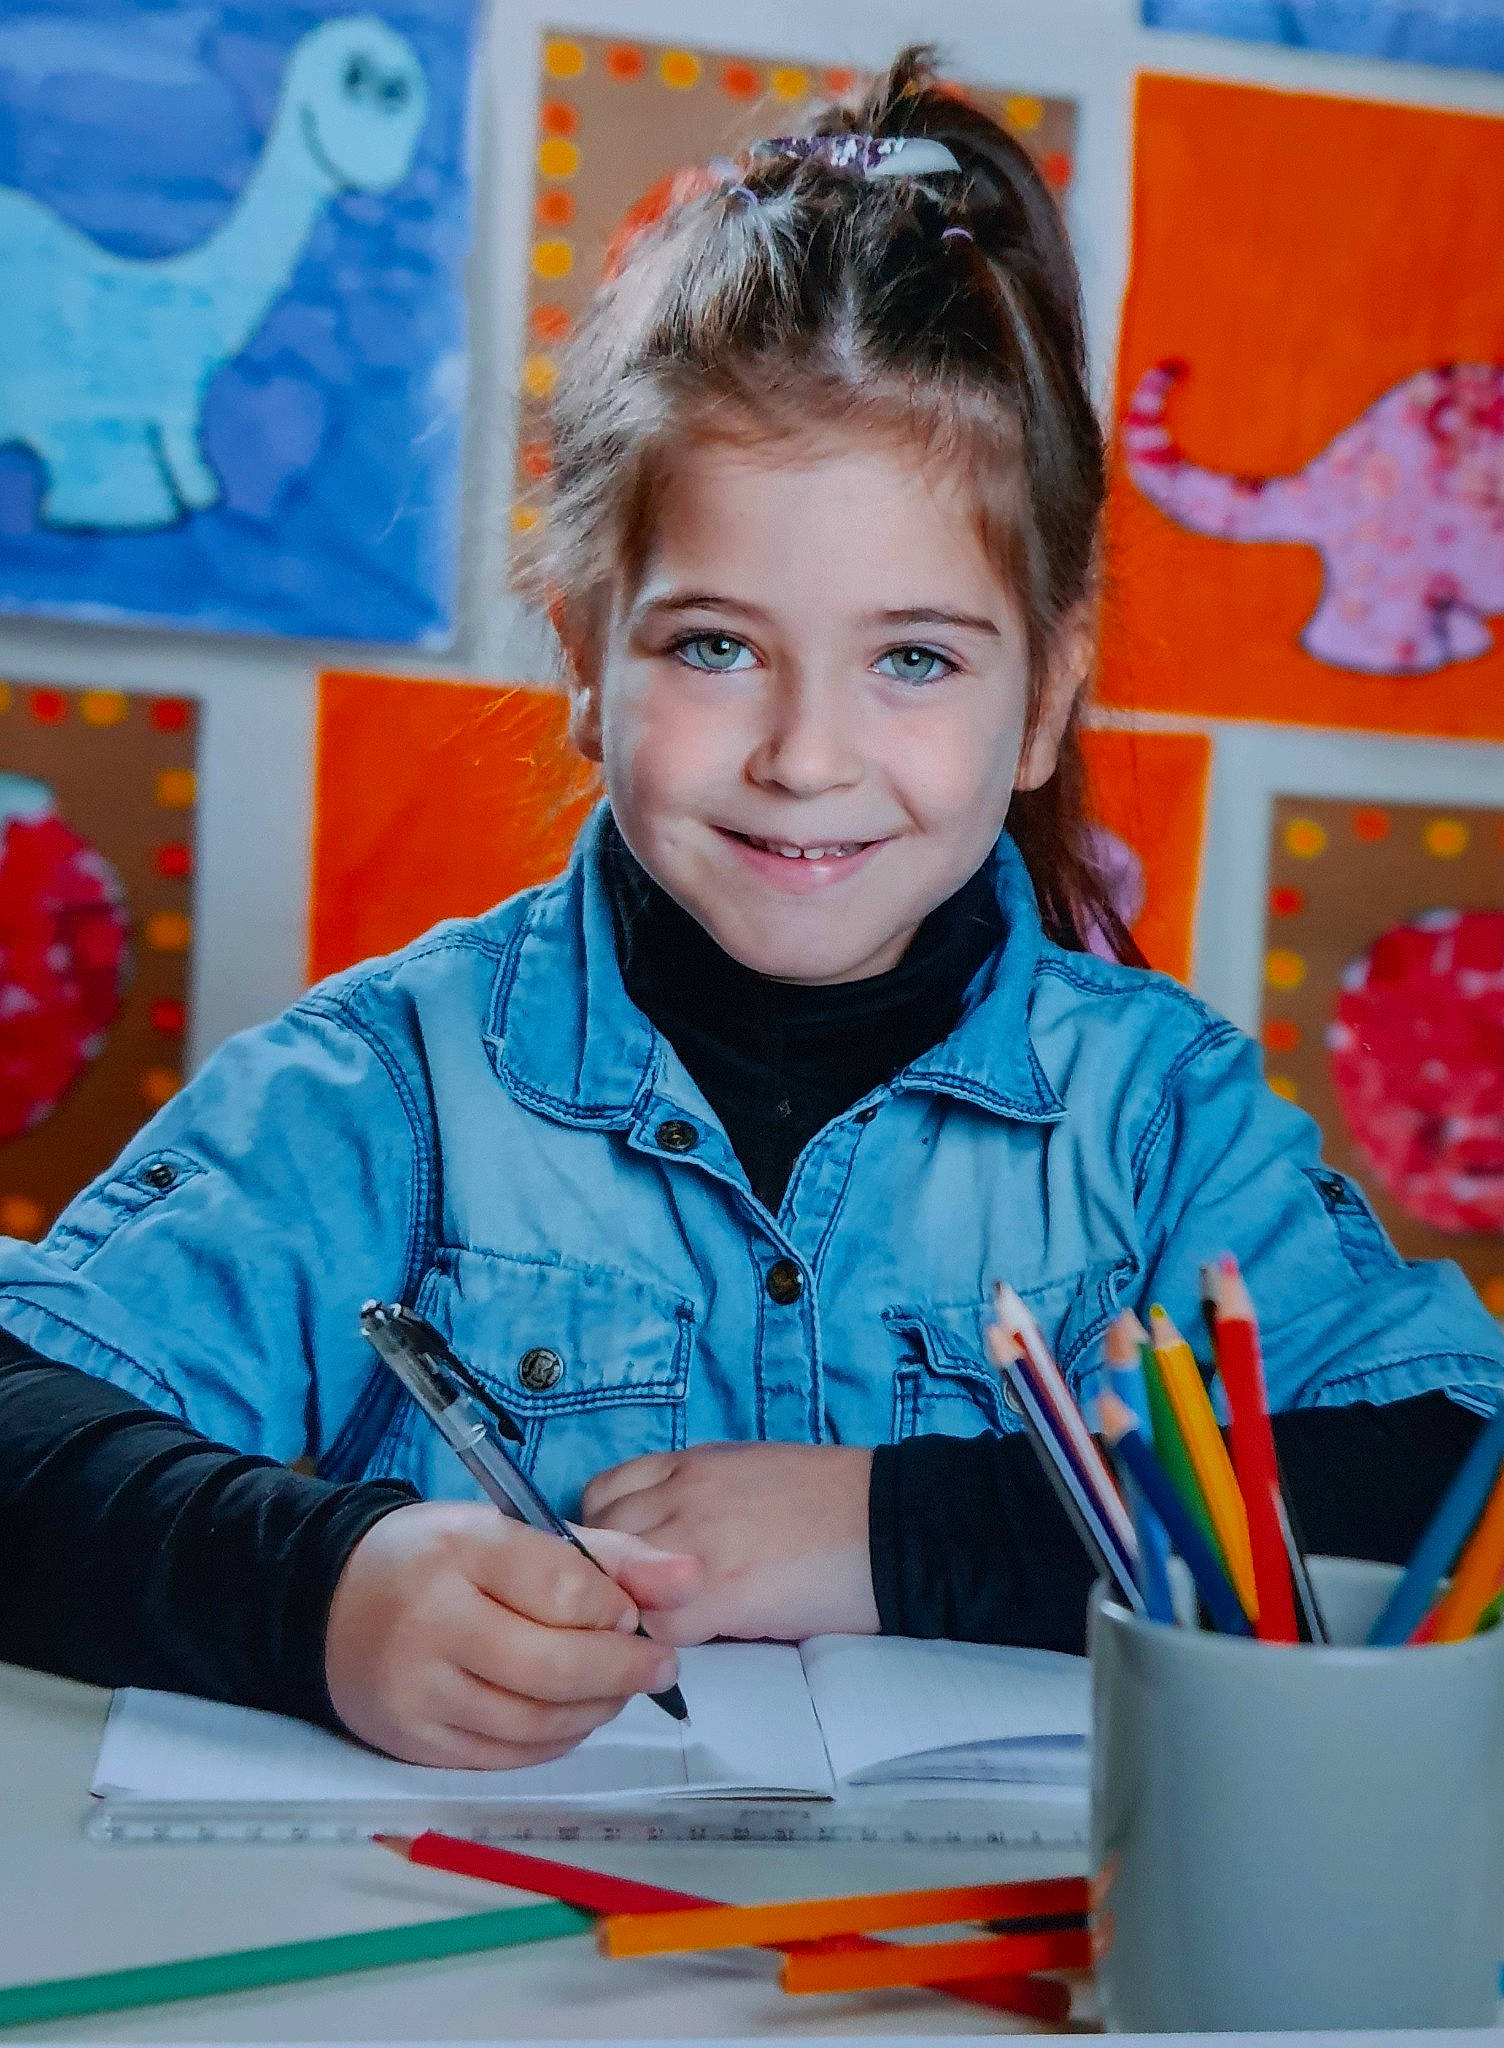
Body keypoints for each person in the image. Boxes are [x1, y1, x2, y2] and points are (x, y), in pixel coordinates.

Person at [1, 51, 1501, 1759]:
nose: (805, 755)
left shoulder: (1159, 1124)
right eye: (716, 646)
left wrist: (889, 1529)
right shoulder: (386, 1092)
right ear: (584, 658)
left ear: (1049, 693)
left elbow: (1453, 1479)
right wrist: (322, 1588)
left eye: (915, 658)